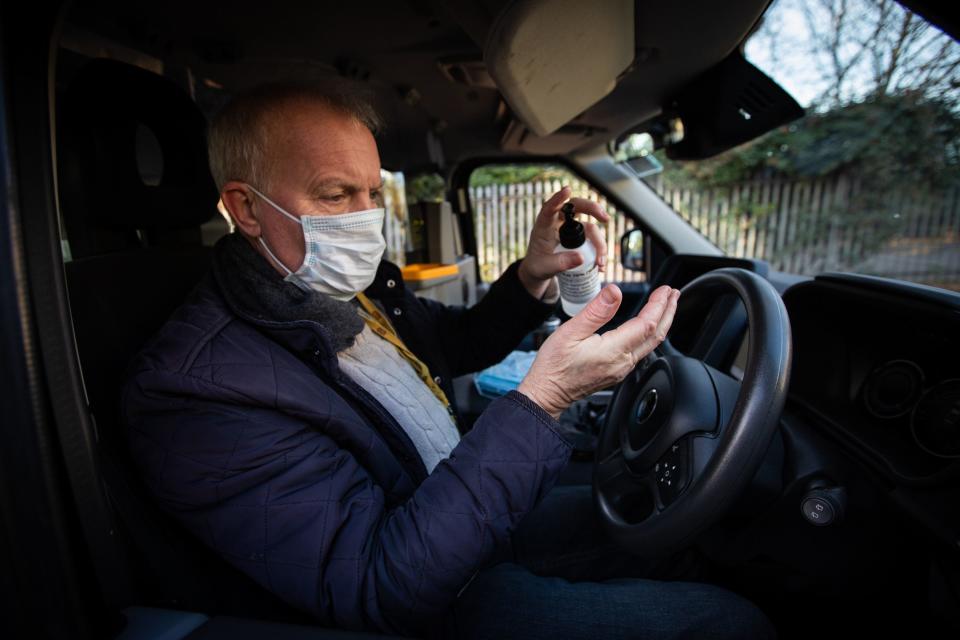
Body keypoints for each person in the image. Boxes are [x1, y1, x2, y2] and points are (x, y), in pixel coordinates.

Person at [123, 82, 775, 639]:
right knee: (724, 622)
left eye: (372, 194)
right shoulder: (197, 390)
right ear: (245, 209)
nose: (364, 219)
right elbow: (381, 585)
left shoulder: (343, 290)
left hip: (456, 509)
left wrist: (529, 276)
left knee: (675, 528)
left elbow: (453, 345)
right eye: (334, 194)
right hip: (438, 594)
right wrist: (544, 400)